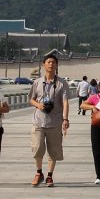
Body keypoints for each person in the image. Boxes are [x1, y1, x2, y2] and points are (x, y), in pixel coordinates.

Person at [28, 53, 69, 187]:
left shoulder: (62, 83)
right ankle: (39, 172)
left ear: (57, 65)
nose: (51, 64)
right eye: (48, 62)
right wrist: (38, 105)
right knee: (38, 147)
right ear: (43, 65)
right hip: (38, 120)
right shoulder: (37, 82)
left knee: (53, 150)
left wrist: (65, 119)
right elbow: (31, 99)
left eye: (53, 62)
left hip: (55, 121)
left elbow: (65, 102)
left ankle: (50, 176)